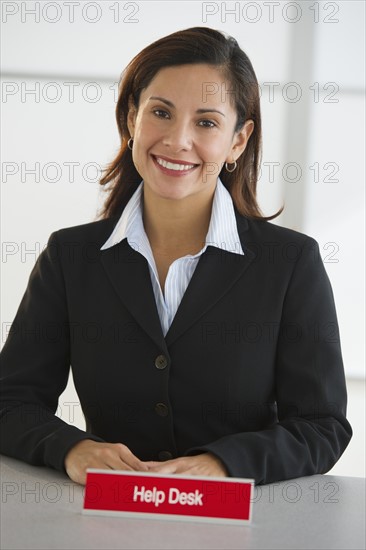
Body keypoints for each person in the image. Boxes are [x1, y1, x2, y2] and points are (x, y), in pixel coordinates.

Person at [0, 27, 352, 486]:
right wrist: (73, 448)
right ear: (132, 118)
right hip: (104, 521)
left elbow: (322, 427)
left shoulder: (289, 263)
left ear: (238, 140)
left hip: (244, 527)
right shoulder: (71, 256)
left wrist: (224, 463)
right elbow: (10, 401)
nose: (177, 140)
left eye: (206, 122)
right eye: (161, 113)